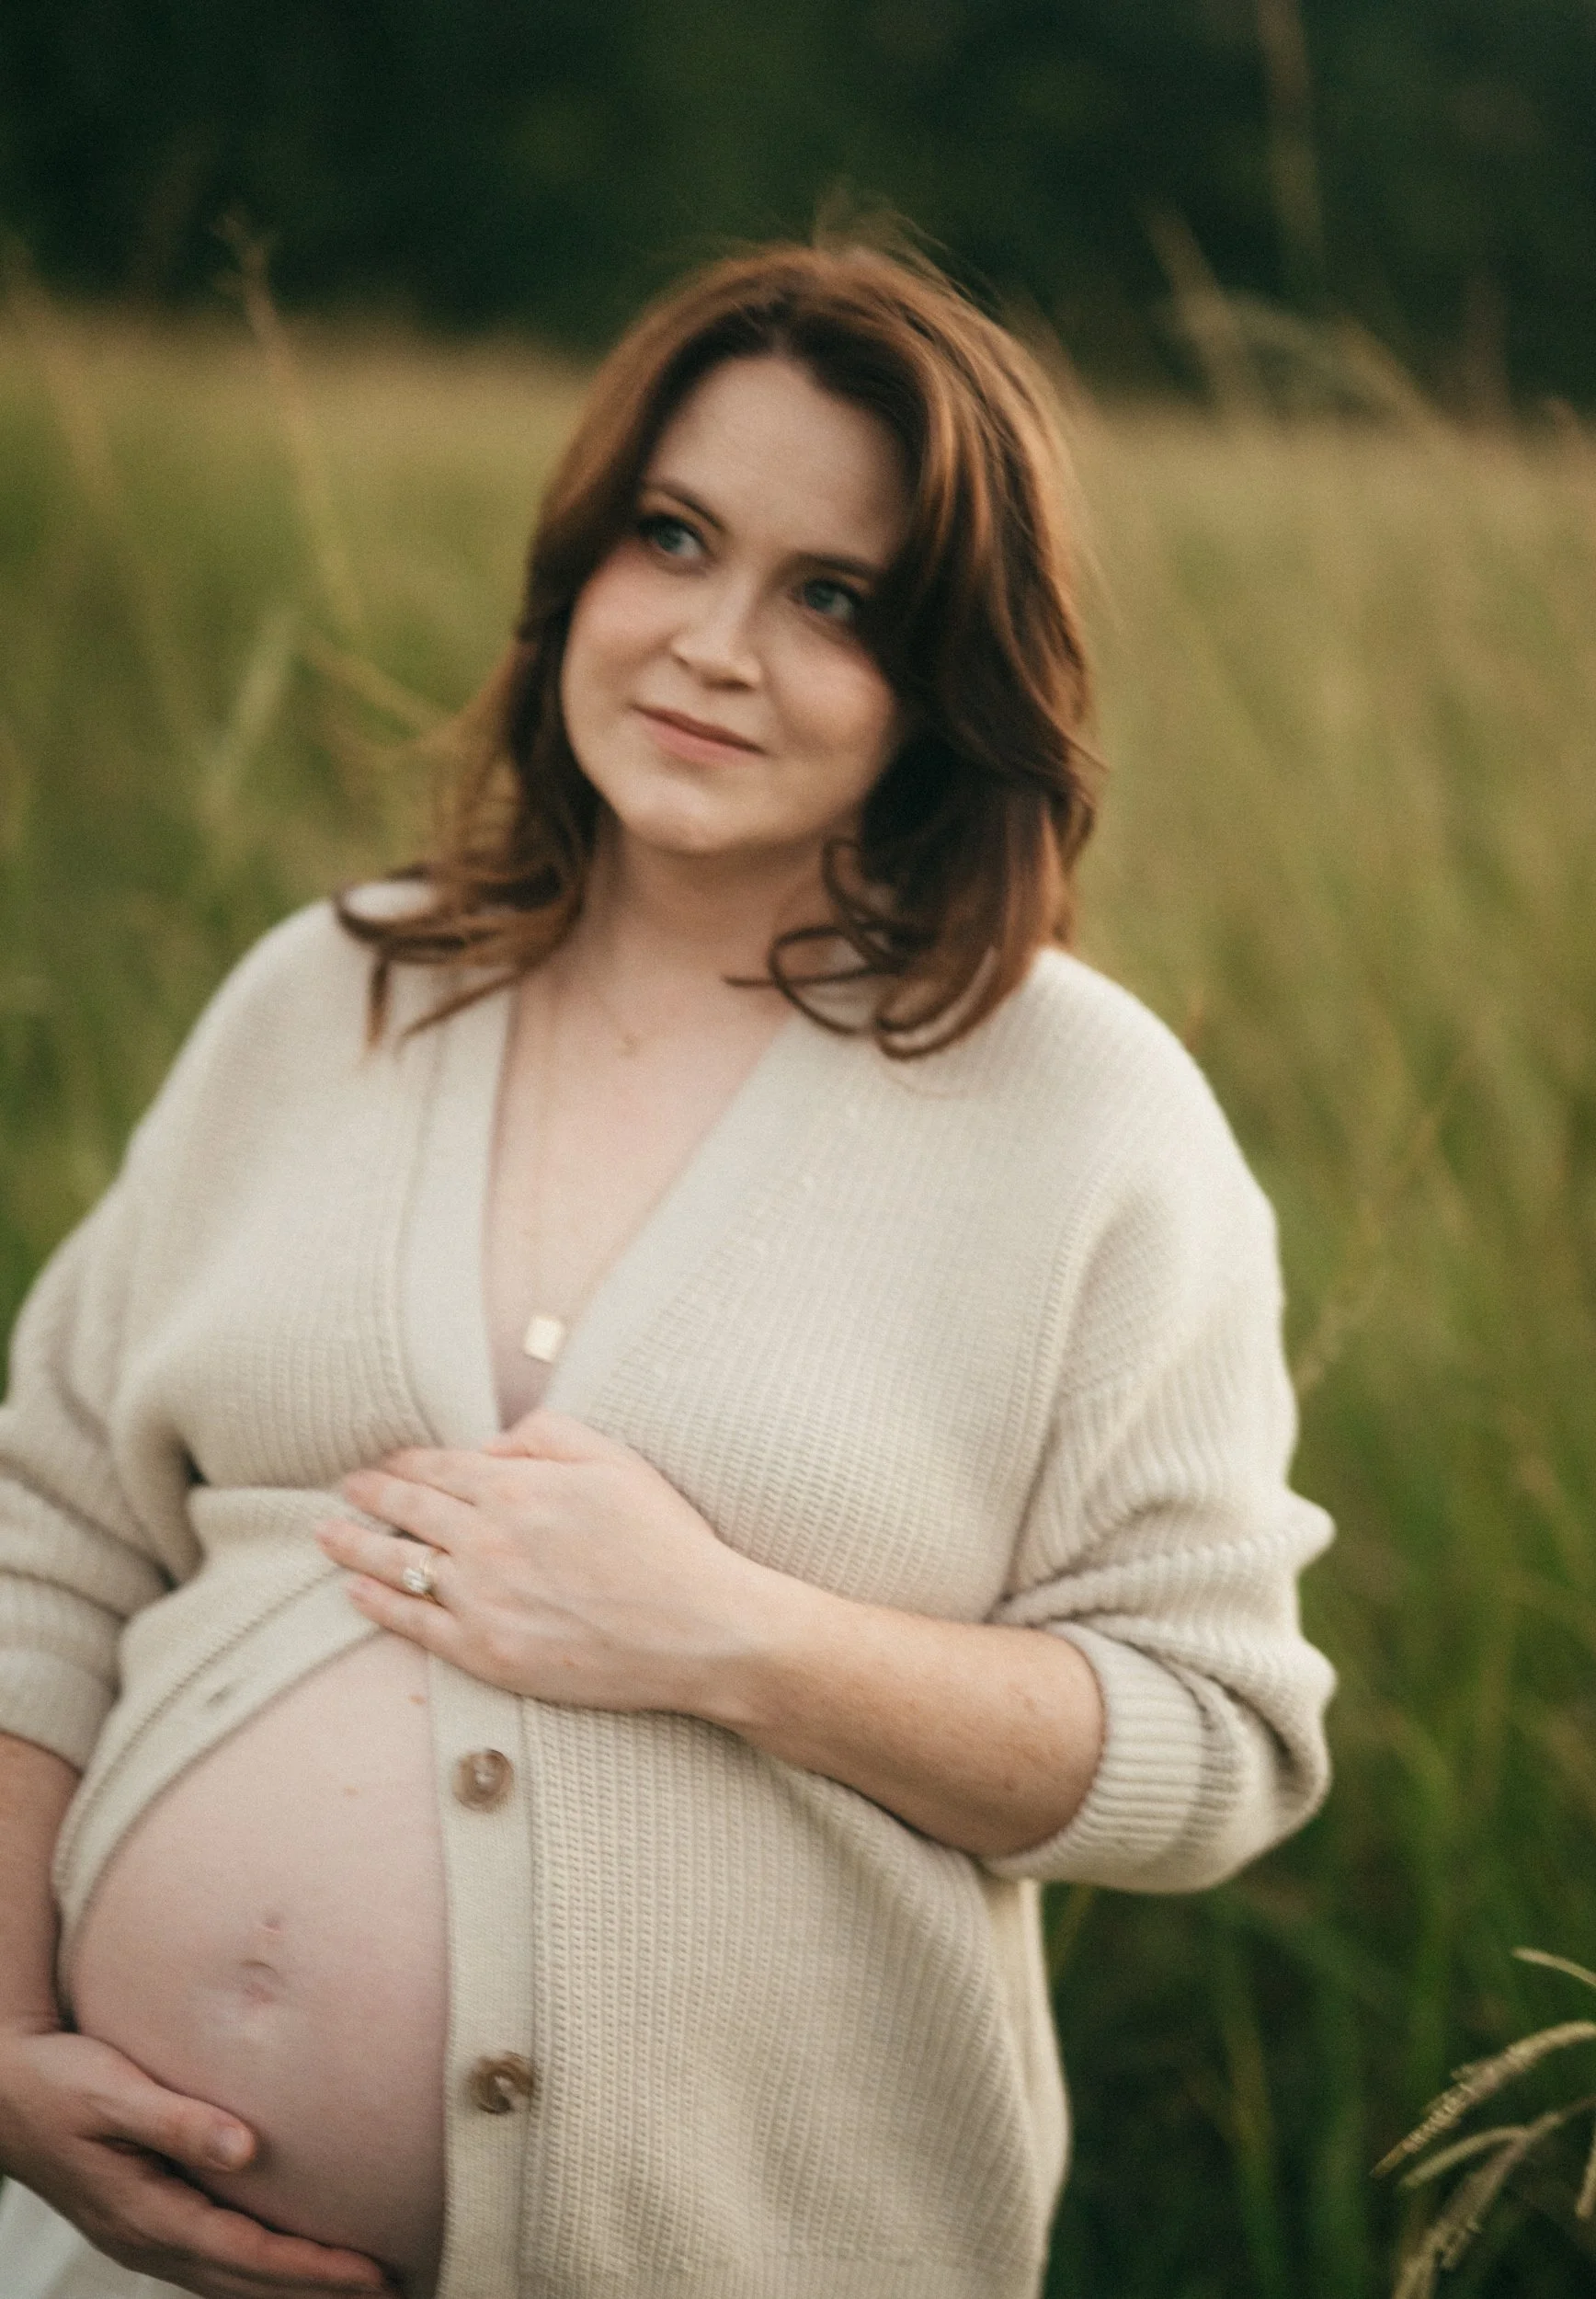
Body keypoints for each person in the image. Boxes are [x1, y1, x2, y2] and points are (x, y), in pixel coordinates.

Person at [0, 239, 1335, 2299]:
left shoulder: (1081, 1113)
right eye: (675, 536)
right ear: (580, 562)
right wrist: (5, 2042)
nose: (714, 646)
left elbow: (1215, 1741)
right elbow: (52, 1543)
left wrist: (731, 1636)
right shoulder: (329, 995)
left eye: (835, 598)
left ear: (951, 677)